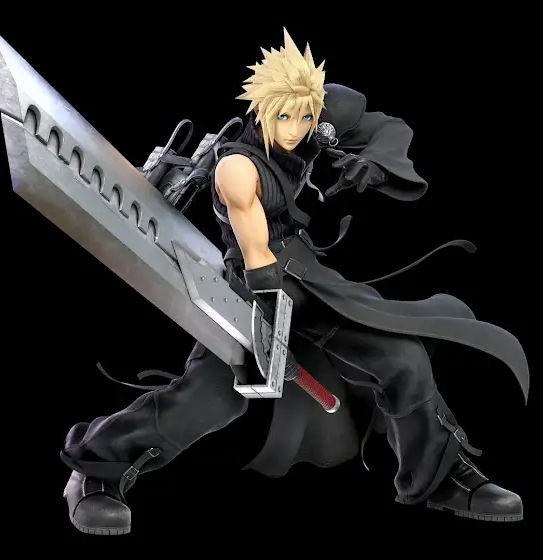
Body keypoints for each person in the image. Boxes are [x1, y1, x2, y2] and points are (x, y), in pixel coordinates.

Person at [61, 29, 529, 535]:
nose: (295, 129)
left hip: (308, 274)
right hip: (253, 282)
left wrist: (371, 164)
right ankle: (96, 467)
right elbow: (256, 248)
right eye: (284, 117)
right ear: (261, 108)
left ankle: (439, 477)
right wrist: (269, 327)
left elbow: (386, 126)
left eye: (305, 118)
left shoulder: (315, 114)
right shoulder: (237, 167)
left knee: (401, 358)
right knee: (215, 398)